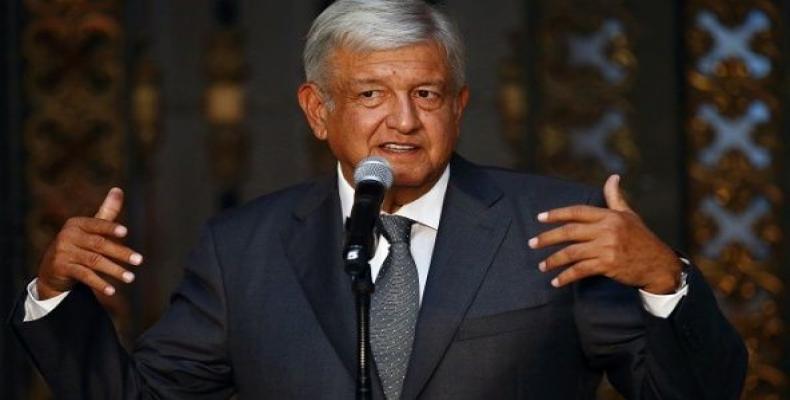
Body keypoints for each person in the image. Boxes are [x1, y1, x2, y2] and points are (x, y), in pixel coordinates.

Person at [11, 0, 746, 399]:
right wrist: (53, 294)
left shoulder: (553, 224)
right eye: (370, 94)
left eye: (425, 93)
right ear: (316, 109)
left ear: (458, 107)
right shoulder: (245, 249)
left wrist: (663, 280)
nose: (402, 119)